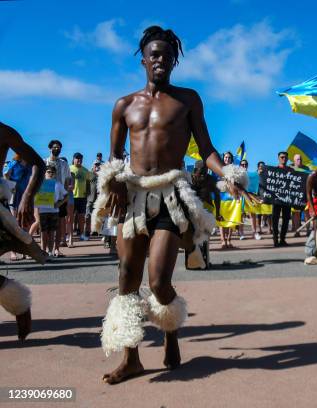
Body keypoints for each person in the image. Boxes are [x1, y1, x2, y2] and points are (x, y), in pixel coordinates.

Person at [91, 26, 246, 384]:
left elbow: (206, 149)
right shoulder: (124, 105)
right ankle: (131, 358)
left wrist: (228, 174)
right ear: (143, 60)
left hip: (170, 198)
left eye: (166, 55)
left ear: (174, 60)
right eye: (154, 54)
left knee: (159, 282)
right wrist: (111, 180)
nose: (160, 60)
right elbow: (114, 157)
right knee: (127, 278)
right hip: (133, 198)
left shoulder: (187, 99)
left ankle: (171, 330)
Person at [0, 122, 46, 341]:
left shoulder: (4, 132)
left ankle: (18, 303)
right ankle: (18, 303)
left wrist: (27, 197)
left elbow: (38, 163)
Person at [37, 165, 68, 257]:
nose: (50, 174)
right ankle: (43, 252)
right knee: (43, 233)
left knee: (51, 233)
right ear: (45, 173)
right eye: (48, 172)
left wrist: (59, 204)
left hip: (54, 212)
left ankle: (50, 252)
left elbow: (67, 196)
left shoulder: (58, 184)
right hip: (42, 211)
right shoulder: (40, 183)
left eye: (52, 172)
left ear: (55, 174)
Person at [45, 140, 71, 251]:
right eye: (55, 147)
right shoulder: (44, 162)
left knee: (60, 223)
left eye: (59, 147)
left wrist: (65, 193)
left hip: (60, 196)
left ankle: (56, 248)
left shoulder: (64, 164)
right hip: (46, 195)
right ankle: (46, 248)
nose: (57, 149)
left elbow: (68, 179)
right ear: (50, 148)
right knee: (46, 224)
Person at [271, 151, 292, 247]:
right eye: (282, 157)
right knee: (275, 219)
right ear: (278, 158)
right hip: (276, 199)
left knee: (286, 219)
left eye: (285, 157)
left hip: (287, 199)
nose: (284, 159)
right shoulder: (274, 170)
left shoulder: (291, 171)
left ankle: (282, 239)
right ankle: (275, 239)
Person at [70, 152, 91, 241]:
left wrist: (88, 191)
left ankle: (82, 235)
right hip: (71, 196)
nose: (79, 160)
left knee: (81, 217)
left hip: (82, 197)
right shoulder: (69, 169)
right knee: (69, 217)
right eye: (77, 158)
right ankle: (69, 235)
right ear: (73, 159)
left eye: (80, 159)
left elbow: (88, 182)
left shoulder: (85, 170)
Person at [291, 154, 309, 236]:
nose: (300, 160)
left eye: (301, 159)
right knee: (296, 214)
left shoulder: (306, 169)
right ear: (294, 161)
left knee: (306, 212)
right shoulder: (291, 169)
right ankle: (297, 231)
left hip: (305, 194)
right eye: (298, 159)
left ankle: (308, 230)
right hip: (295, 194)